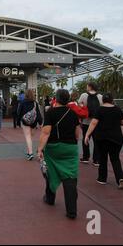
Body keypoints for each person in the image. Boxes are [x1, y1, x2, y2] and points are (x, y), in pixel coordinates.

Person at [37, 89, 80, 219]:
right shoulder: (73, 113)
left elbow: (46, 132)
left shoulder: (51, 113)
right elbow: (77, 134)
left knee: (50, 172)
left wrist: (40, 149)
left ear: (56, 98)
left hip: (54, 148)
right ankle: (71, 211)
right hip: (70, 149)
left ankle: (50, 198)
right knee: (70, 177)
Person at [84, 93, 123, 189]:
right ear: (112, 100)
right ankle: (120, 178)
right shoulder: (117, 109)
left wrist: (87, 135)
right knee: (115, 159)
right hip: (117, 138)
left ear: (102, 100)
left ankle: (102, 179)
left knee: (103, 158)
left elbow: (93, 123)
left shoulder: (99, 109)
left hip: (102, 138)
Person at [78, 82, 102, 166]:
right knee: (97, 141)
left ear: (90, 87)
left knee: (85, 139)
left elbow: (79, 106)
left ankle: (85, 158)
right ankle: (96, 160)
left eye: (87, 86)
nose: (86, 87)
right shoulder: (100, 96)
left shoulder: (83, 95)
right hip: (96, 123)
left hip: (85, 121)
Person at [18, 89, 42, 160]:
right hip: (33, 122)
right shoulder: (35, 103)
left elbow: (19, 112)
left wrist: (18, 122)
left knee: (28, 137)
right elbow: (38, 114)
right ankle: (29, 152)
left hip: (25, 122)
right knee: (30, 137)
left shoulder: (22, 102)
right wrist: (40, 123)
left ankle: (30, 153)